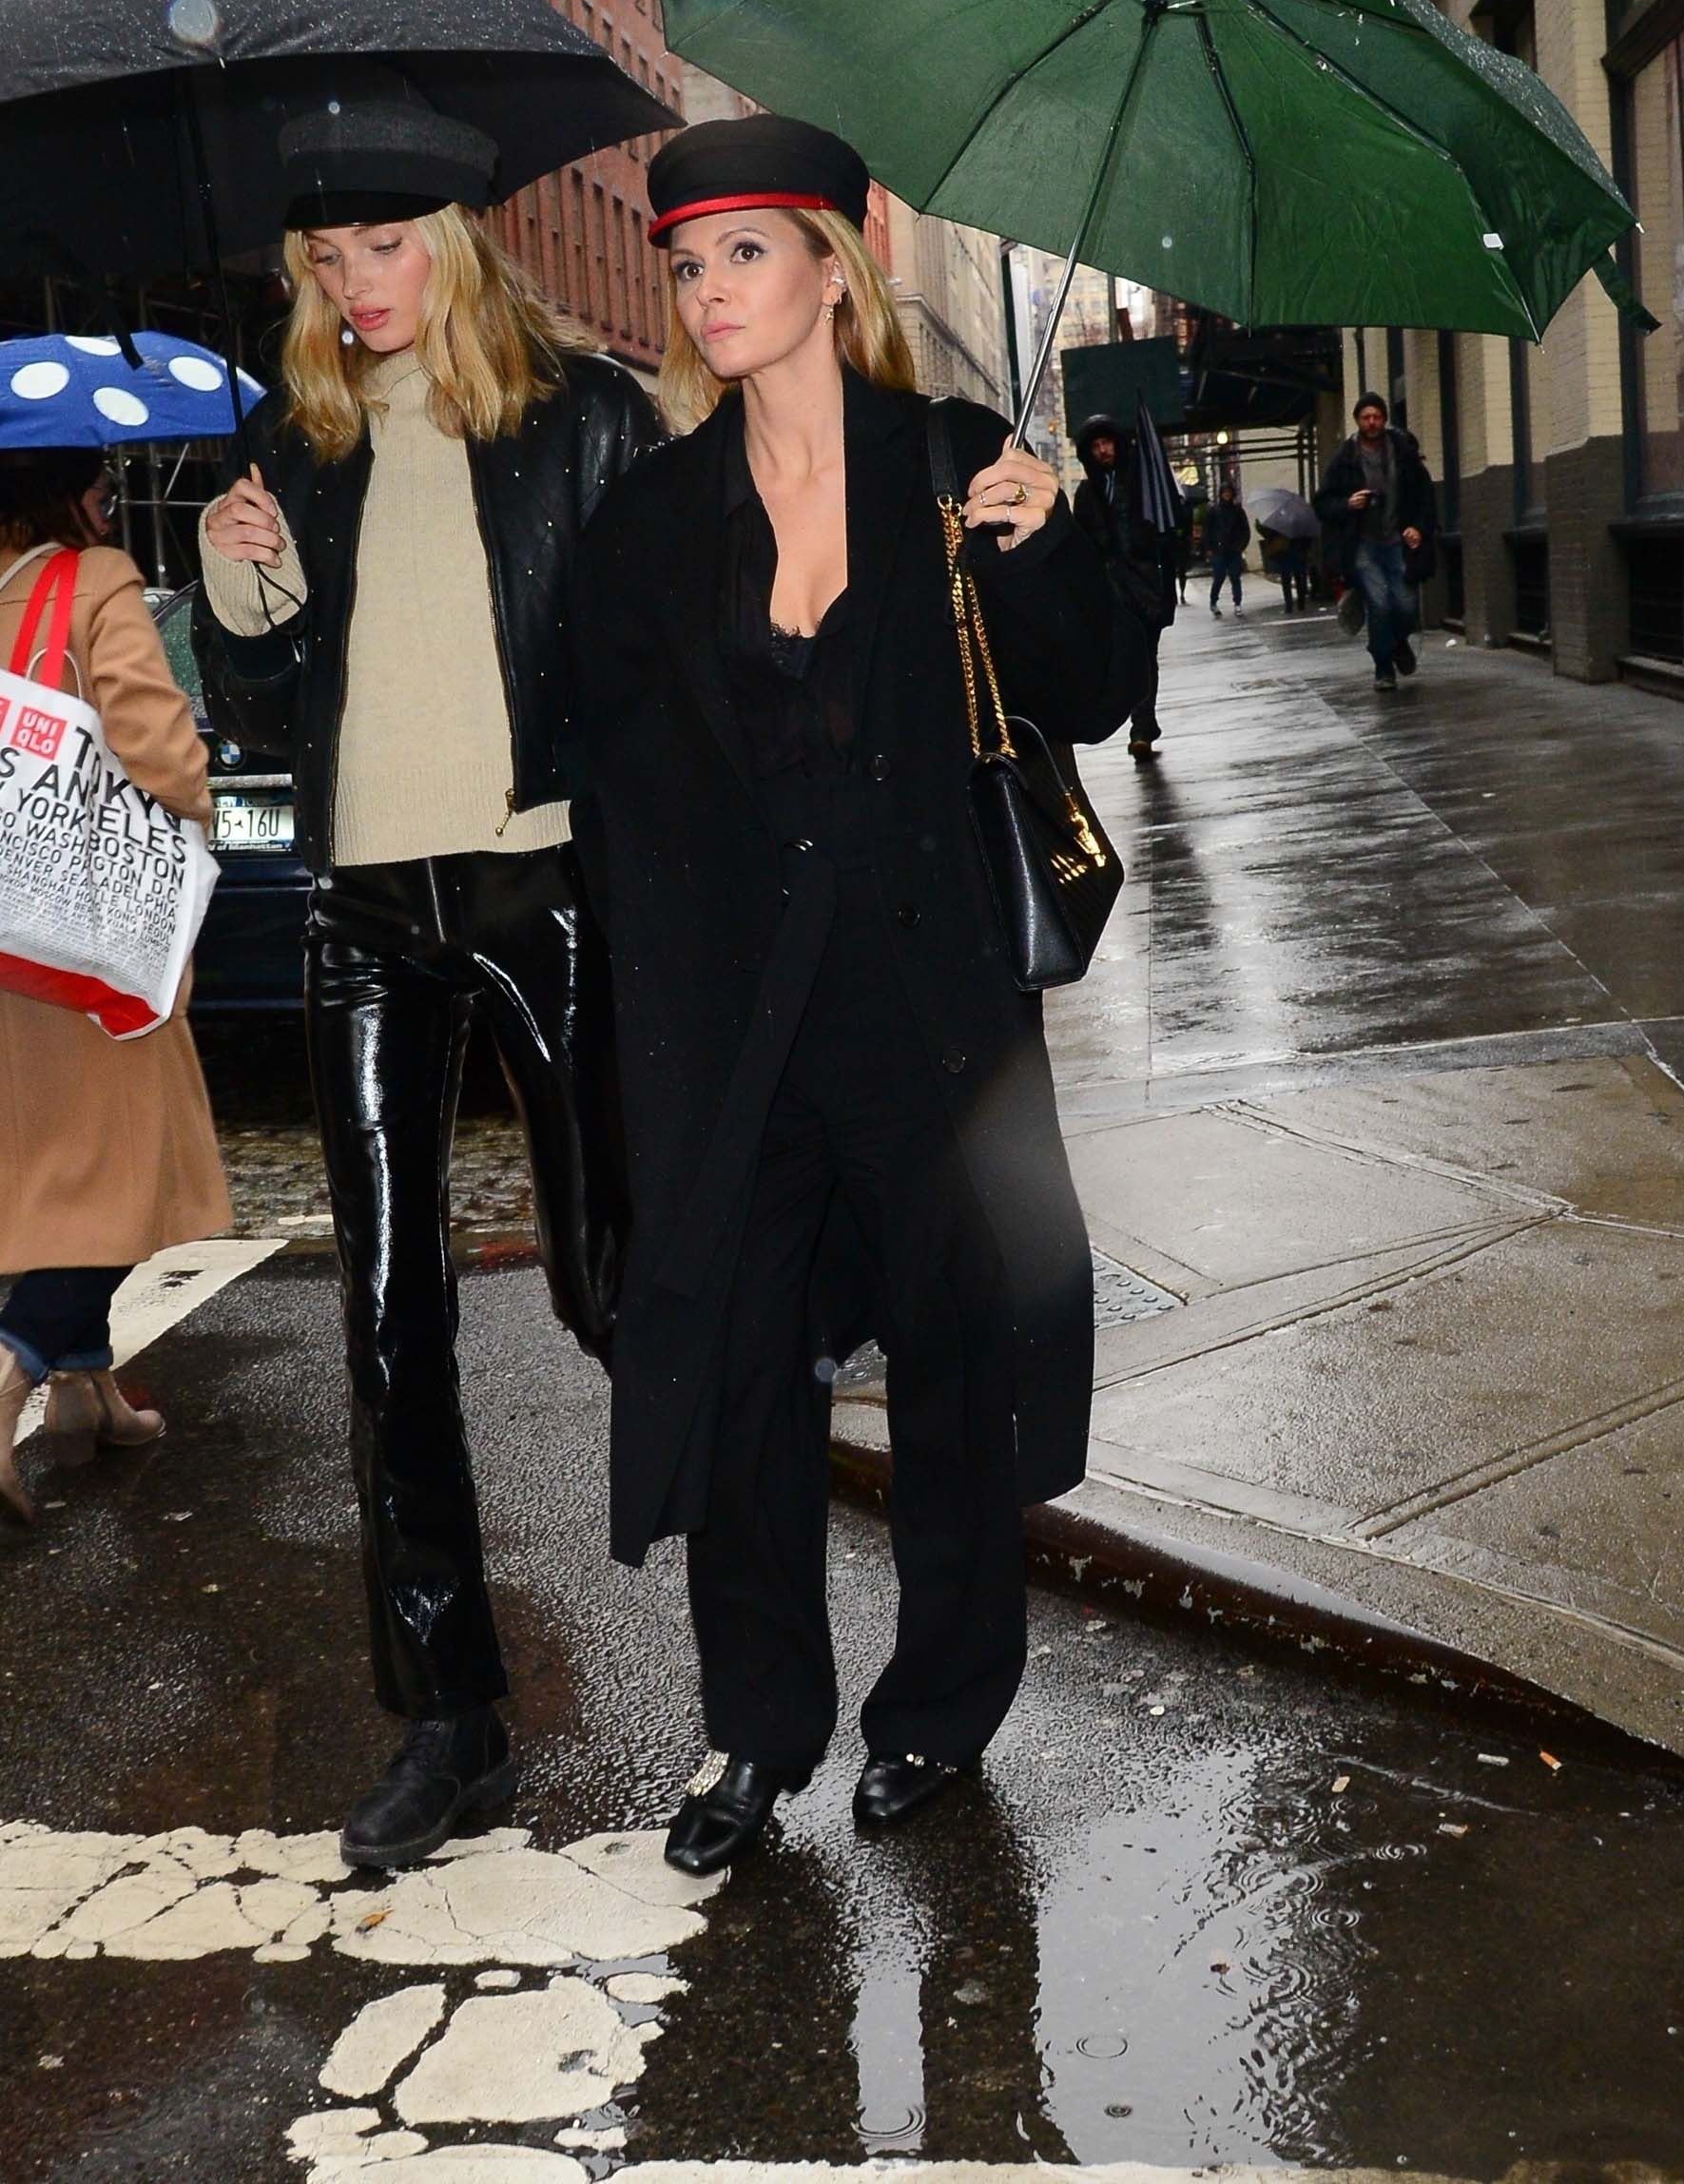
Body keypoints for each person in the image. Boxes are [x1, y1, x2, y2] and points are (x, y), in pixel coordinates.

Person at [571, 116, 1150, 1880]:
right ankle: (755, 1732)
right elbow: (596, 765)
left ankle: (940, 1712)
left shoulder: (951, 460)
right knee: (746, 1374)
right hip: (737, 1025)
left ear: (834, 263)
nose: (709, 289)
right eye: (688, 261)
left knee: (956, 1355)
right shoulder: (653, 519)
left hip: (930, 1006)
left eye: (747, 251)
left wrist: (1048, 539)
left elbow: (1096, 686)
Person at [193, 96, 659, 1872]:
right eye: (326, 259)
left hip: (548, 886)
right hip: (365, 909)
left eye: (384, 248)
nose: (355, 284)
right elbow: (261, 715)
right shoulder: (291, 441)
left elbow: (664, 668)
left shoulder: (586, 418)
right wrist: (240, 606)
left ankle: (761, 1636)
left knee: (613, 1283)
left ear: (456, 243)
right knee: (387, 1318)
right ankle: (449, 1716)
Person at [0, 448, 231, 1524]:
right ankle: (10, 1362)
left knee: (55, 1180)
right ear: (72, 492)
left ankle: (87, 1394)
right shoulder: (92, 579)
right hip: (86, 933)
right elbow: (153, 747)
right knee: (122, 1173)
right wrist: (199, 797)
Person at [1072, 413, 1181, 759]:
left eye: (1107, 443)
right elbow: (1082, 543)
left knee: (1145, 658)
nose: (1103, 451)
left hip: (1146, 585)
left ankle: (1142, 728)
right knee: (1130, 659)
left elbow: (1167, 526)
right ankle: (1142, 726)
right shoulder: (1088, 493)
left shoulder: (1144, 485)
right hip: (1114, 589)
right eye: (1097, 446)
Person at [1316, 393, 1440, 690]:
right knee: (1380, 603)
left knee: (1407, 605)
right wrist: (1348, 503)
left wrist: (1418, 529)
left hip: (1397, 539)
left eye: (1377, 417)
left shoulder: (1403, 453)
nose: (1372, 422)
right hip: (1363, 545)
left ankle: (1398, 643)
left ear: (1384, 419)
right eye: (1366, 417)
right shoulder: (1344, 460)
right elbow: (1322, 505)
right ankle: (1383, 667)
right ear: (1358, 420)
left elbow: (1426, 497)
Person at [1205, 483, 1249, 614]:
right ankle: (1213, 602)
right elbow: (1207, 530)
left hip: (1234, 549)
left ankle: (1237, 603)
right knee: (1219, 577)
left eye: (1229, 492)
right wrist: (1209, 548)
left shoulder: (1238, 511)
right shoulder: (1214, 511)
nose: (1227, 494)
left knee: (1235, 576)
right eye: (1224, 492)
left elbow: (1245, 530)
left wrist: (1241, 546)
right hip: (1218, 550)